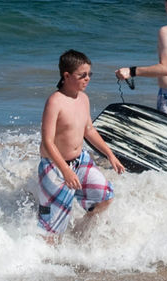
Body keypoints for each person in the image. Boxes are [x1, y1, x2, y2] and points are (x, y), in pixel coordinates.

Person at [38, 50, 125, 241]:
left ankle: (79, 233)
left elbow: (89, 130)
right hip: (55, 165)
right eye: (82, 75)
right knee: (51, 229)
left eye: (89, 75)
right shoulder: (55, 102)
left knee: (105, 198)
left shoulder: (83, 98)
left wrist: (110, 154)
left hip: (81, 161)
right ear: (66, 76)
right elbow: (47, 141)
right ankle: (49, 261)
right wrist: (66, 171)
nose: (87, 79)